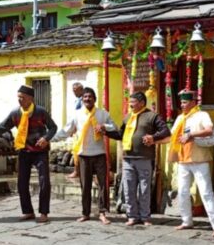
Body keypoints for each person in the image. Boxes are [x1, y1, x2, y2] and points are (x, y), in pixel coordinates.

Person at [0, 85, 57, 223]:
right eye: (18, 97)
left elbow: (53, 127)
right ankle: (28, 211)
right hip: (24, 150)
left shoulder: (40, 112)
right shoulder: (15, 113)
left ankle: (44, 212)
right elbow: (1, 128)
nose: (20, 100)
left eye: (23, 97)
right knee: (21, 183)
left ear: (31, 99)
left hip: (40, 152)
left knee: (44, 182)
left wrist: (46, 138)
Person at [103, 91, 170, 226]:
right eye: (130, 102)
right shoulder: (128, 117)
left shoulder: (152, 116)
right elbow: (120, 135)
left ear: (142, 103)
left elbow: (165, 131)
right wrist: (105, 132)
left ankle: (145, 217)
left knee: (144, 189)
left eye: (133, 102)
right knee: (129, 188)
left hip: (144, 158)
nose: (130, 105)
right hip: (128, 158)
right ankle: (132, 216)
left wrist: (153, 137)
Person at [56, 87, 117, 224]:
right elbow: (66, 131)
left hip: (99, 154)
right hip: (83, 155)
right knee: (85, 185)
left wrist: (104, 127)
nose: (87, 99)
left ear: (94, 99)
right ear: (82, 100)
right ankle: (85, 213)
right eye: (84, 97)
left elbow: (115, 127)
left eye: (90, 96)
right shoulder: (76, 115)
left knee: (103, 184)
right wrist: (51, 139)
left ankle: (102, 213)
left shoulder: (102, 114)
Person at [168, 90, 214, 237]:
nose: (182, 105)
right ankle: (187, 221)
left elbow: (209, 130)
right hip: (182, 159)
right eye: (181, 102)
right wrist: (153, 140)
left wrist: (191, 134)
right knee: (183, 192)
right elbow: (172, 136)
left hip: (199, 158)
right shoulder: (180, 118)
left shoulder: (202, 115)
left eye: (185, 102)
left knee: (206, 192)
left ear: (193, 102)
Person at [67, 82, 85, 179]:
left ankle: (78, 171)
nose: (74, 92)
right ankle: (77, 171)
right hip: (76, 130)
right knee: (75, 151)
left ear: (81, 89)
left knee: (80, 151)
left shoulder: (86, 100)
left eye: (76, 90)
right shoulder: (76, 101)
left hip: (83, 130)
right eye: (73, 90)